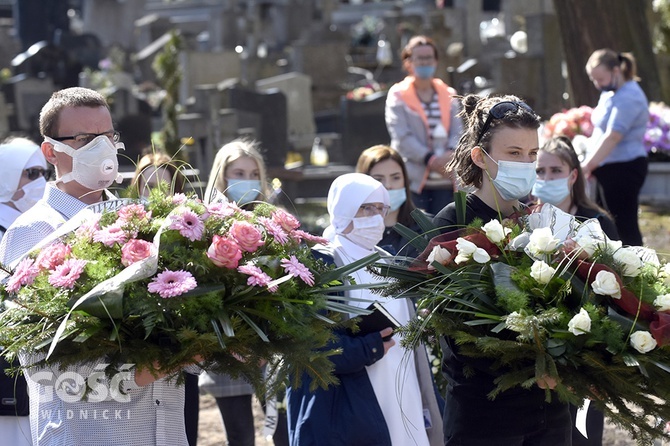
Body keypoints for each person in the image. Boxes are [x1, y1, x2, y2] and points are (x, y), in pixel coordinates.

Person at [0, 87, 199, 446]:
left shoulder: (142, 222)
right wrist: (151, 368)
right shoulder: (33, 232)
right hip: (90, 433)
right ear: (51, 151)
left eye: (108, 137)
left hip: (164, 431)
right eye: (86, 139)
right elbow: (42, 359)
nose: (103, 148)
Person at [433, 94, 572, 445]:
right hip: (485, 416)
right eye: (513, 154)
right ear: (480, 156)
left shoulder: (540, 221)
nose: (526, 164)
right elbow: (458, 329)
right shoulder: (453, 221)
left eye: (532, 154)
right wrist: (534, 362)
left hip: (549, 412)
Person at [287, 172, 443, 446]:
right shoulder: (322, 262)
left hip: (401, 386)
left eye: (380, 209)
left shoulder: (389, 262)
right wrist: (367, 347)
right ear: (344, 209)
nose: (375, 216)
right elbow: (310, 345)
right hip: (353, 401)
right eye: (365, 208)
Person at [534, 136, 617, 446]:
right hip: (542, 354)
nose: (546, 178)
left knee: (583, 435)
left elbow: (618, 288)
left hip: (588, 349)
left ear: (572, 176)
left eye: (555, 170)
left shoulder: (598, 223)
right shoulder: (525, 223)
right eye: (539, 171)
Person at [200, 139, 276, 446]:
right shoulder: (205, 223)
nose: (246, 181)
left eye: (253, 173)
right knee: (240, 436)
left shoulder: (272, 223)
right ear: (222, 177)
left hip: (270, 346)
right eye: (238, 173)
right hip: (226, 347)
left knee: (281, 431)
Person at [130, 151, 198, 446]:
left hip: (182, 357)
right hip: (139, 359)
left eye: (163, 186)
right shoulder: (126, 235)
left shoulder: (193, 237)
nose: (154, 194)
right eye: (148, 186)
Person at [0, 136, 49, 446]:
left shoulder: (43, 223)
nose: (40, 182)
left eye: (44, 173)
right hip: (7, 377)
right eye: (31, 173)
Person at [385, 35, 463, 216]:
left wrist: (450, 155)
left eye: (429, 57)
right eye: (419, 58)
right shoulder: (398, 95)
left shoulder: (449, 94)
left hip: (447, 179)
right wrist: (430, 159)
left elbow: (458, 130)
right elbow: (401, 136)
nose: (424, 62)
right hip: (414, 180)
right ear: (409, 62)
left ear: (436, 61)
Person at [582, 49, 649, 246]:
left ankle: (637, 270)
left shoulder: (629, 97)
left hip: (624, 168)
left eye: (600, 78)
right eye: (593, 80)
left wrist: (587, 166)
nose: (597, 84)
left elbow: (613, 136)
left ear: (616, 70)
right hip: (608, 167)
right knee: (608, 226)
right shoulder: (611, 92)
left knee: (624, 226)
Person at [355, 144, 421, 257]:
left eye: (396, 178)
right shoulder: (352, 232)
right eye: (378, 179)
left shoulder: (425, 228)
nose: (388, 185)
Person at [203, 139, 270, 206]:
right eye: (240, 173)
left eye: (255, 174)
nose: (248, 180)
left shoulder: (271, 215)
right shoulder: (204, 215)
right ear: (223, 174)